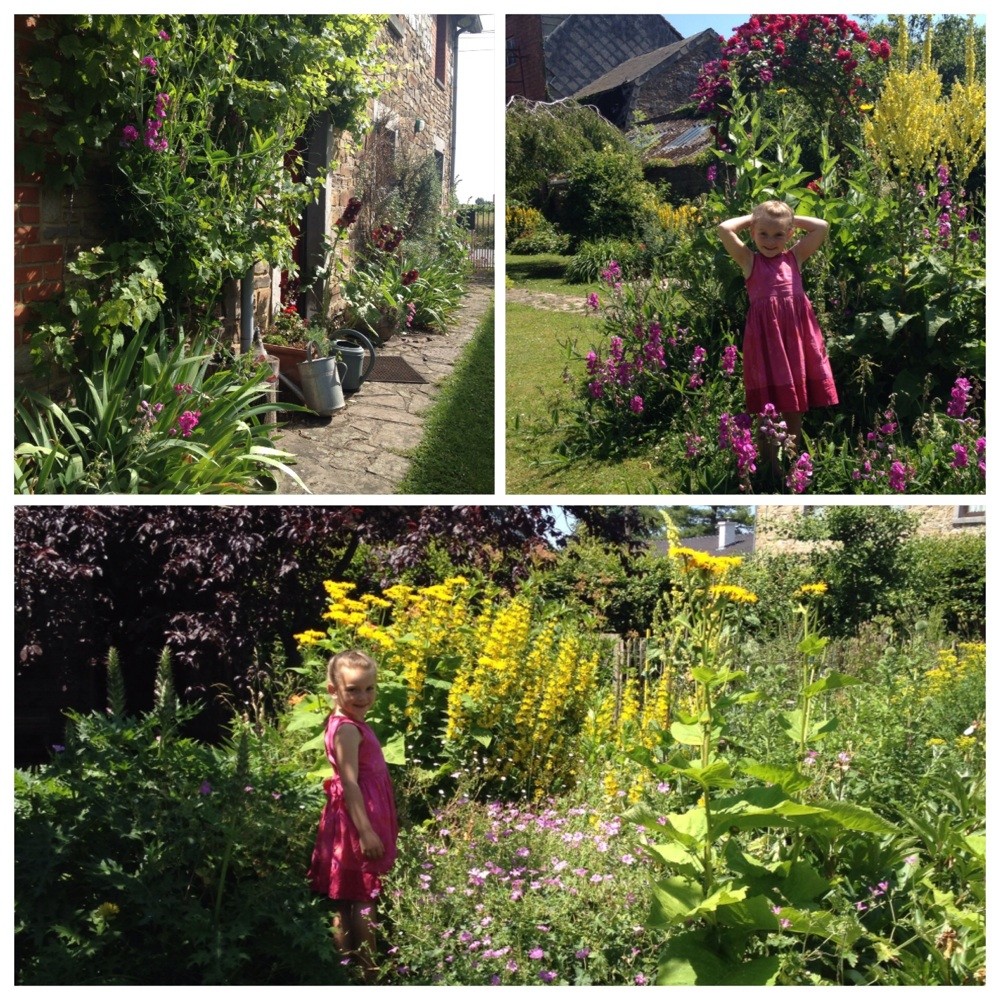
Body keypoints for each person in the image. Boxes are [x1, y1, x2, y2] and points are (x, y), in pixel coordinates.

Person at [717, 200, 838, 471]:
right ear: (752, 232)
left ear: (790, 234)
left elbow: (822, 226)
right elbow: (725, 229)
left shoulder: (794, 257)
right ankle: (769, 467)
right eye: (763, 234)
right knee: (766, 406)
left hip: (795, 340)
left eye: (778, 234)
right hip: (765, 344)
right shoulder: (749, 261)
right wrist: (756, 218)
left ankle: (792, 461)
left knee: (794, 402)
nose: (770, 241)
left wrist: (784, 219)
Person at [307, 649, 397, 981]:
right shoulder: (346, 729)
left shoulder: (348, 722)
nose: (363, 696)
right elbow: (349, 783)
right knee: (362, 897)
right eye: (353, 689)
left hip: (356, 818)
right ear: (333, 689)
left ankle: (345, 973)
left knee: (347, 898)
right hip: (359, 821)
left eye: (369, 688)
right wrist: (366, 831)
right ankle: (370, 974)